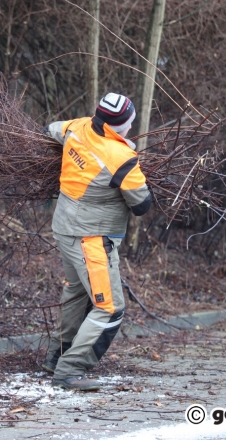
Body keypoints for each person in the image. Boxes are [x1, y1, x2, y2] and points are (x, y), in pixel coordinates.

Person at [41, 93, 152, 391]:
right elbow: (142, 204)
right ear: (120, 127)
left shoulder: (78, 126)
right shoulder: (121, 157)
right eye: (129, 123)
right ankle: (70, 370)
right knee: (110, 308)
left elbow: (50, 128)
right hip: (91, 238)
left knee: (78, 293)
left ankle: (56, 356)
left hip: (64, 227)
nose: (131, 127)